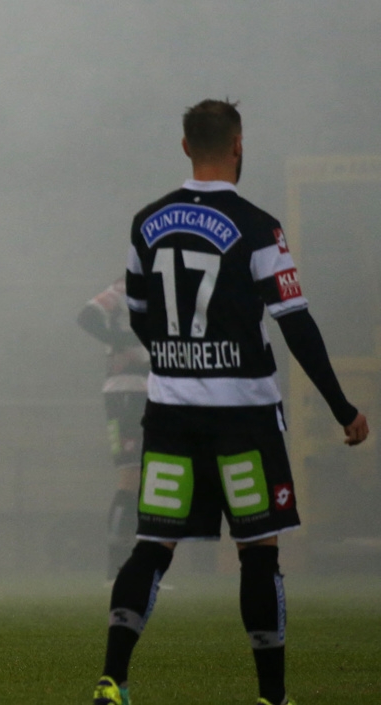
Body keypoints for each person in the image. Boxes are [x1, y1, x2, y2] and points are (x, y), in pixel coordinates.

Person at [93, 100, 369, 705]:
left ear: (185, 146)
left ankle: (112, 680)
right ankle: (272, 697)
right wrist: (341, 406)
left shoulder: (146, 222)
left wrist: (176, 364)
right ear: (238, 146)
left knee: (152, 544)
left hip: (169, 413)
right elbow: (295, 323)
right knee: (259, 548)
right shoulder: (259, 226)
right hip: (243, 416)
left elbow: (138, 319)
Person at [78, 279, 149, 580]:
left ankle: (137, 565)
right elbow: (86, 316)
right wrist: (119, 342)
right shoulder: (126, 287)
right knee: (130, 477)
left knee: (147, 480)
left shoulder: (176, 291)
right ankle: (118, 568)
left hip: (155, 391)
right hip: (127, 392)